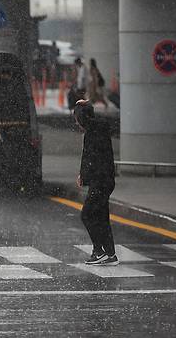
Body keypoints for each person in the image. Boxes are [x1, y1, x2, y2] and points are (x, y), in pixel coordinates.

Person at [74, 99, 118, 266]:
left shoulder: (94, 131)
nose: (76, 122)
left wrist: (84, 175)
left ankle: (100, 251)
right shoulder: (98, 128)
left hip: (101, 181)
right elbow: (89, 158)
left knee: (87, 214)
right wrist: (83, 175)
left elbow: (91, 158)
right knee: (101, 217)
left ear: (82, 118)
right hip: (104, 180)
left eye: (77, 118)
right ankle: (109, 254)